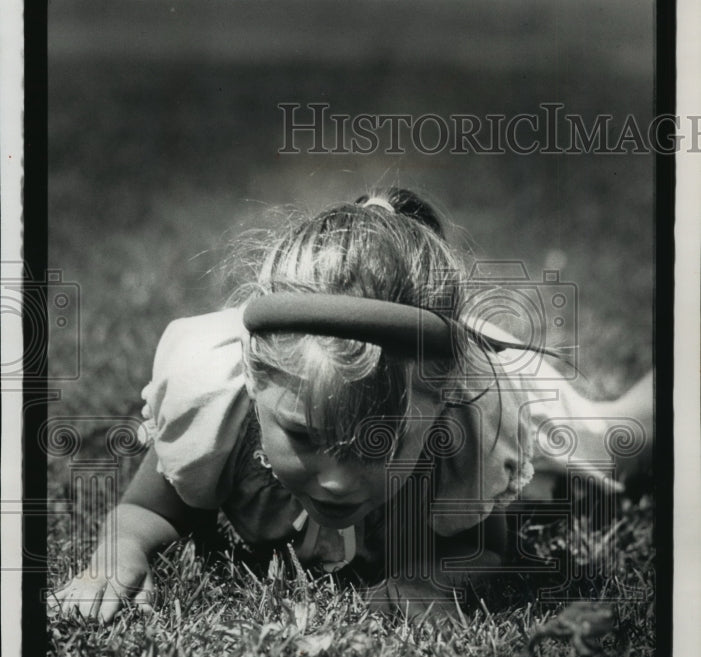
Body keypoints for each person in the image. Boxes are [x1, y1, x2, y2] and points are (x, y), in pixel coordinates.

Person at [53, 188, 652, 623]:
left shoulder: (464, 417)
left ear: (438, 407)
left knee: (625, 440)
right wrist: (117, 552)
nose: (338, 481)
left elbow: (484, 548)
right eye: (306, 437)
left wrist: (431, 578)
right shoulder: (222, 403)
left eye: (378, 444)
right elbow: (143, 511)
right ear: (256, 381)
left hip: (529, 418)